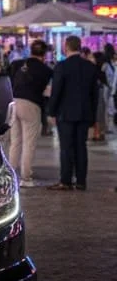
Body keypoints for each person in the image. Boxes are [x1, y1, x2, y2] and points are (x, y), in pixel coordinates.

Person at [46, 35, 99, 192]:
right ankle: (81, 181)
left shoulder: (62, 66)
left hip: (66, 113)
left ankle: (66, 180)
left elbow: (56, 91)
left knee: (66, 147)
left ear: (66, 47)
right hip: (84, 113)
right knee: (81, 147)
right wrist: (93, 115)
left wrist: (51, 111)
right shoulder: (90, 66)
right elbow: (94, 94)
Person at [6, 40, 53, 187]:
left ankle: (11, 174)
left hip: (14, 101)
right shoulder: (46, 70)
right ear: (44, 54)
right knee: (29, 142)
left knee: (15, 141)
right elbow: (47, 91)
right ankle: (26, 178)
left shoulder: (17, 64)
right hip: (31, 104)